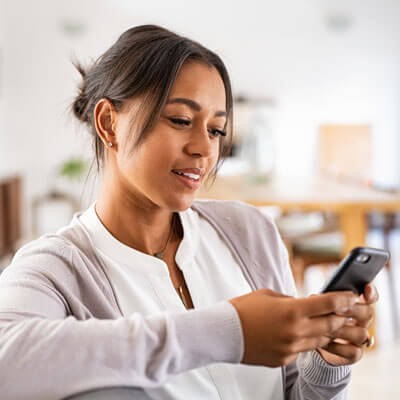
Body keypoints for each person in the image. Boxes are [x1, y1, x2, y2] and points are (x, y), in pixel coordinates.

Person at [0, 25, 377, 400]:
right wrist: (230, 333)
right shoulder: (56, 268)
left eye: (216, 130)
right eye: (181, 120)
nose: (204, 149)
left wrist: (326, 364)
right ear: (108, 123)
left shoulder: (251, 232)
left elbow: (292, 391)